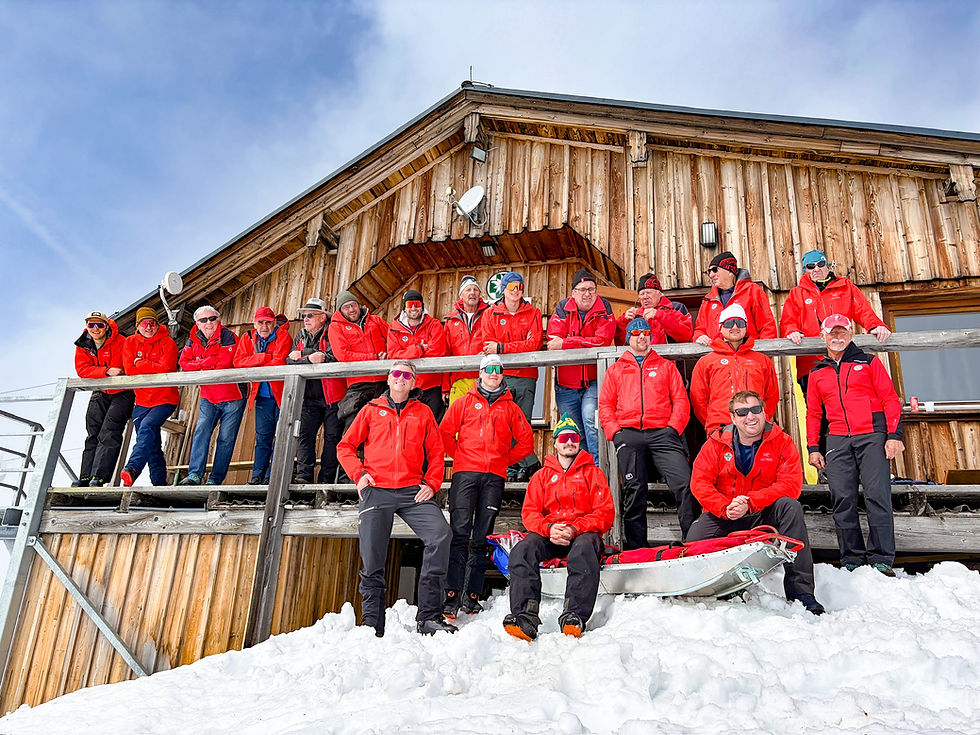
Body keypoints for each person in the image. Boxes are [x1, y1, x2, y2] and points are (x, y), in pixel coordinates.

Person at [336, 360, 454, 636]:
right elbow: (345, 446)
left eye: (407, 375)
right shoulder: (371, 410)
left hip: (413, 490)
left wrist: (432, 483)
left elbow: (436, 453)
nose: (401, 378)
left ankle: (429, 617)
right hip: (377, 488)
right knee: (373, 556)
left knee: (440, 535)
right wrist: (359, 475)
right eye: (397, 373)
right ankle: (371, 624)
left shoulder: (423, 412)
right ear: (389, 379)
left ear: (413, 382)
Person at [688, 391, 825, 614]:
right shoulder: (715, 443)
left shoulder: (782, 442)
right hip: (727, 512)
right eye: (742, 412)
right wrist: (725, 507)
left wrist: (751, 502)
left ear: (764, 412)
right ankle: (708, 588)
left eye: (755, 410)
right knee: (693, 541)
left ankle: (802, 593)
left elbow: (791, 484)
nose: (750, 416)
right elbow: (699, 483)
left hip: (763, 512)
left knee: (791, 507)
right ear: (732, 418)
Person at [806, 314, 904, 576]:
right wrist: (813, 447)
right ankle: (851, 557)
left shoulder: (869, 362)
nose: (837, 337)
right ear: (822, 336)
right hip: (837, 438)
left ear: (851, 334)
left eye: (842, 331)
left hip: (872, 434)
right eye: (832, 332)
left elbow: (891, 400)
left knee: (877, 495)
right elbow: (814, 412)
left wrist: (894, 435)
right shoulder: (817, 373)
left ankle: (882, 558)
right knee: (842, 498)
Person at [503, 415, 614, 641]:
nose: (569, 442)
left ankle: (574, 615)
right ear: (555, 442)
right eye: (564, 437)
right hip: (550, 534)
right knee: (522, 550)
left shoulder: (593, 474)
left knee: (584, 548)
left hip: (582, 534)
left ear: (579, 441)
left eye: (573, 437)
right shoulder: (541, 476)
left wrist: (575, 528)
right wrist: (549, 528)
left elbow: (604, 513)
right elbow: (530, 513)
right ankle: (525, 617)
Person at [439, 354, 533, 618]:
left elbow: (526, 443)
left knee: (483, 537)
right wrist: (459, 456)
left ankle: (471, 596)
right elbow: (444, 432)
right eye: (489, 369)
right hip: (465, 474)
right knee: (459, 534)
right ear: (480, 373)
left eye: (499, 370)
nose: (494, 373)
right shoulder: (464, 403)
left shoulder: (510, 407)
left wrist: (502, 461)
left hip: (494, 477)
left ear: (502, 374)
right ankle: (450, 596)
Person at [598, 317, 695, 547]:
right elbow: (605, 406)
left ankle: (691, 540)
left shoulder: (666, 366)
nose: (642, 336)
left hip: (663, 432)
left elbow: (681, 400)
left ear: (651, 336)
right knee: (634, 489)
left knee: (684, 483)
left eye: (646, 332)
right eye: (636, 333)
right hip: (629, 433)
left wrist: (673, 428)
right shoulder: (616, 370)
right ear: (628, 338)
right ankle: (636, 548)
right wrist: (616, 433)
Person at [780, 249, 891, 391]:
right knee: (816, 409)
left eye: (820, 264)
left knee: (847, 404)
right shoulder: (796, 293)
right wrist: (792, 332)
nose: (817, 269)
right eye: (811, 266)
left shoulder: (845, 287)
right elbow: (788, 320)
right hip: (811, 363)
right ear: (805, 270)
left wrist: (875, 325)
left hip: (844, 358)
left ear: (827, 265)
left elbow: (862, 310)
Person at [546, 269, 616, 461]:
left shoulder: (605, 307)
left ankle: (597, 471)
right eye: (583, 289)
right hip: (566, 385)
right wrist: (584, 341)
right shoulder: (562, 307)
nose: (588, 294)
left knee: (591, 423)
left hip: (594, 381)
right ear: (573, 292)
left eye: (591, 289)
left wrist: (568, 342)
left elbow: (603, 340)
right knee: (574, 431)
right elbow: (553, 340)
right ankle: (582, 471)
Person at [481, 271, 542, 480]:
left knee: (522, 423)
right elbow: (487, 345)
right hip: (500, 377)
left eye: (520, 287)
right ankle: (524, 465)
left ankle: (522, 467)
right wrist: (512, 347)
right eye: (512, 287)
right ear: (503, 290)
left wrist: (502, 347)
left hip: (526, 375)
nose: (516, 291)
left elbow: (534, 344)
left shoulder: (533, 312)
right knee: (502, 424)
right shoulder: (490, 314)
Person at [178, 305, 248, 486]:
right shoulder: (192, 340)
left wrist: (199, 363)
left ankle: (215, 480)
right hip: (208, 395)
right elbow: (184, 363)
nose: (208, 323)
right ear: (197, 324)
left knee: (226, 439)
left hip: (233, 396)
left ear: (218, 320)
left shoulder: (229, 336)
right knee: (201, 433)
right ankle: (194, 475)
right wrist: (207, 362)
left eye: (212, 319)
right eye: (203, 320)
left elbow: (224, 363)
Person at [690, 304, 779, 436]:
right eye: (729, 323)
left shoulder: (762, 360)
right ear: (721, 327)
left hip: (755, 428)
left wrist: (759, 419)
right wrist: (712, 421)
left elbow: (772, 395)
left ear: (746, 326)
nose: (735, 327)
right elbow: (698, 399)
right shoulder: (706, 362)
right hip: (720, 429)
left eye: (740, 322)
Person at [285, 298, 346, 484]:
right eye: (304, 315)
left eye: (310, 315)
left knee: (331, 439)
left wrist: (303, 355)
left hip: (332, 397)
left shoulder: (332, 332)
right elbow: (289, 361)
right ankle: (304, 477)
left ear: (321, 317)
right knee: (305, 436)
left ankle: (326, 481)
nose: (306, 319)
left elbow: (331, 357)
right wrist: (310, 357)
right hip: (308, 397)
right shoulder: (300, 335)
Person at [73, 310, 134, 487]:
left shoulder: (121, 341)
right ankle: (85, 476)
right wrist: (105, 371)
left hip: (122, 391)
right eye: (91, 324)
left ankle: (99, 477)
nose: (95, 328)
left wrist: (104, 371)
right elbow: (82, 370)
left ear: (106, 326)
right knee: (93, 432)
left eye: (99, 324)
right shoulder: (83, 345)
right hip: (100, 390)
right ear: (87, 327)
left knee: (110, 431)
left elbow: (124, 366)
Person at [234, 306, 294, 485]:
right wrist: (263, 357)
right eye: (260, 322)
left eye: (268, 322)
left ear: (274, 323)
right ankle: (257, 477)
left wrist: (256, 361)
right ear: (255, 323)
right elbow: (238, 362)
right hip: (261, 396)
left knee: (282, 436)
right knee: (263, 437)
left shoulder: (283, 336)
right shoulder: (248, 337)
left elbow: (279, 362)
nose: (264, 326)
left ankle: (273, 476)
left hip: (283, 395)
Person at [119, 307, 179, 487]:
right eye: (144, 323)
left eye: (152, 323)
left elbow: (166, 368)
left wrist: (141, 363)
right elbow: (130, 370)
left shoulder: (168, 342)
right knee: (151, 443)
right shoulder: (130, 343)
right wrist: (150, 365)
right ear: (138, 326)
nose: (149, 327)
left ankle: (132, 468)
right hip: (142, 401)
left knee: (147, 426)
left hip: (165, 398)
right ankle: (159, 484)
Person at [328, 291, 390, 431]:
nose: (351, 310)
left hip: (383, 380)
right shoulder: (336, 327)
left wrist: (391, 355)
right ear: (340, 310)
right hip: (358, 382)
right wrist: (374, 358)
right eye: (346, 307)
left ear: (359, 305)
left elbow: (394, 340)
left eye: (353, 305)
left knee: (384, 426)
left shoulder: (375, 320)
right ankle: (355, 452)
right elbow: (343, 355)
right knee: (355, 426)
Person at [387, 289, 449, 422]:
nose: (414, 308)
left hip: (431, 385)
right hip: (406, 386)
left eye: (417, 304)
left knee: (433, 425)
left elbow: (438, 351)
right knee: (409, 426)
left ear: (422, 306)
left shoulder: (434, 324)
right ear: (404, 308)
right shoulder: (394, 328)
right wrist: (419, 349)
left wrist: (406, 353)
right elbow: (394, 355)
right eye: (409, 305)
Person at [693, 251, 777, 345]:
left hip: (748, 354)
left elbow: (767, 326)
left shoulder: (752, 291)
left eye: (715, 270)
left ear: (730, 272)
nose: (711, 275)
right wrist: (699, 336)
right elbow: (699, 330)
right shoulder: (708, 300)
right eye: (709, 271)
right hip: (717, 356)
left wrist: (763, 356)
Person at [444, 275, 490, 404]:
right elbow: (446, 354)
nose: (472, 293)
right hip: (458, 379)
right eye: (468, 290)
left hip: (483, 379)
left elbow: (495, 342)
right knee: (457, 420)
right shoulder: (451, 321)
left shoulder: (489, 315)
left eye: (475, 290)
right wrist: (445, 388)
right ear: (461, 295)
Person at [615, 272, 693, 345]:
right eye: (642, 294)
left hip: (670, 358)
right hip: (643, 358)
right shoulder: (636, 316)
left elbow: (686, 336)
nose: (645, 297)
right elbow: (620, 343)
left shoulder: (676, 308)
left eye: (649, 292)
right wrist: (624, 321)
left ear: (659, 294)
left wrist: (659, 316)